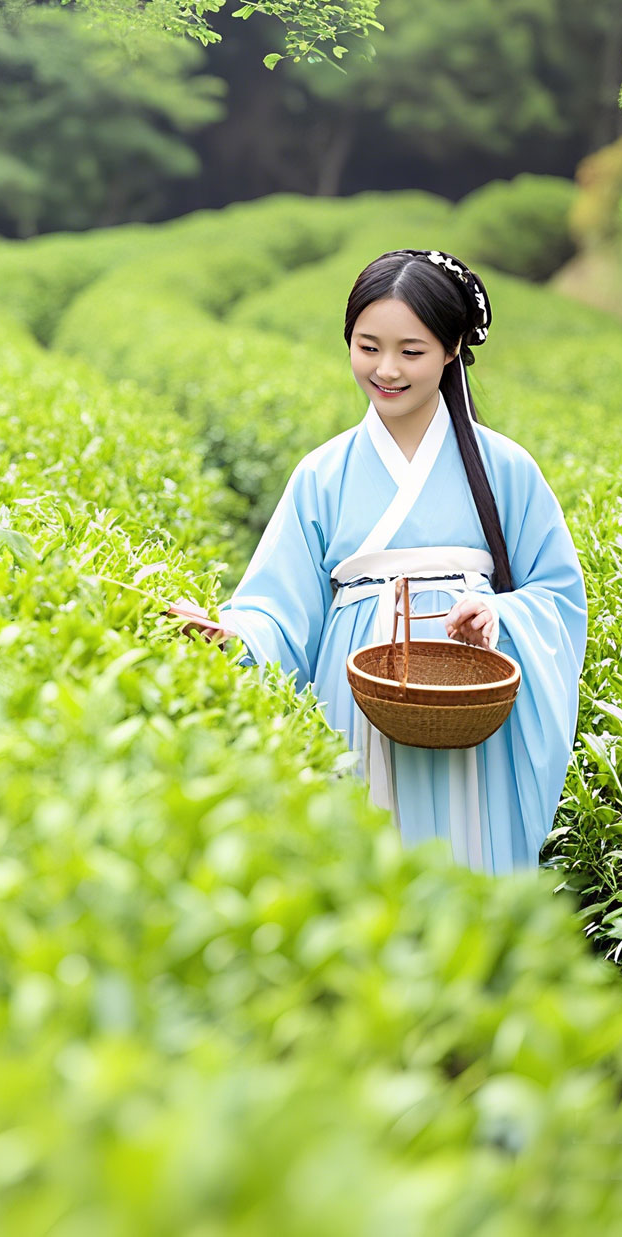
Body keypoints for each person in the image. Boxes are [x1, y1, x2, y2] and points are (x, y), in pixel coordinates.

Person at [166, 250, 587, 872]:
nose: (386, 369)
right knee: (368, 871)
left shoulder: (505, 468)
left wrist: (497, 615)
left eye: (411, 351)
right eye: (368, 348)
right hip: (356, 703)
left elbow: (557, 596)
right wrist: (234, 635)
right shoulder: (322, 473)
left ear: (451, 350)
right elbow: (280, 605)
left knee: (467, 871)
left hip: (465, 707)